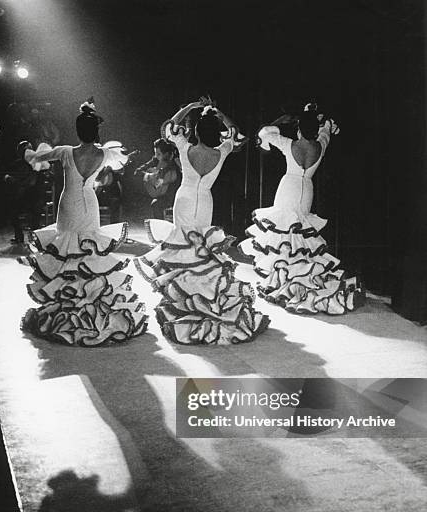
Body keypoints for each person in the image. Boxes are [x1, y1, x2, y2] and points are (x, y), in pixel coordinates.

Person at [135, 97, 269, 345]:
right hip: (205, 202)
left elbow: (168, 128)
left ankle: (183, 301)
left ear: (195, 130)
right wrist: (217, 112)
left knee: (183, 249)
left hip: (184, 199)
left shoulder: (185, 147)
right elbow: (236, 134)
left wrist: (192, 107)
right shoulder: (221, 152)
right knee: (202, 252)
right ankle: (204, 297)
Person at [19, 99, 148, 346]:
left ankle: (67, 304)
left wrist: (26, 149)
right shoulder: (104, 153)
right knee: (90, 250)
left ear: (78, 131)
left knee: (67, 250)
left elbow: (37, 157)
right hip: (91, 203)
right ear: (96, 132)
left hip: (69, 203)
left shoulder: (66, 151)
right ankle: (93, 303)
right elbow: (121, 160)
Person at [239, 106, 363, 315]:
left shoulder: (290, 144)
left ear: (299, 129)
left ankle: (283, 278)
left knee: (284, 235)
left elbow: (263, 133)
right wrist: (318, 119)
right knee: (299, 236)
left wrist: (282, 121)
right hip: (307, 188)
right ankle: (299, 274)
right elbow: (326, 130)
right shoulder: (320, 145)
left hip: (289, 186)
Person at [4, 140, 45, 244]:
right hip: (27, 196)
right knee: (13, 208)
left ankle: (35, 239)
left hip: (34, 197)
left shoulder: (36, 162)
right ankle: (20, 236)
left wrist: (13, 180)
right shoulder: (21, 164)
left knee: (29, 210)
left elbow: (30, 182)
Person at [135, 138, 180, 220]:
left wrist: (163, 175)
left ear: (166, 154)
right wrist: (149, 176)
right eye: (155, 153)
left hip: (176, 194)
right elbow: (137, 172)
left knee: (156, 204)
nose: (156, 156)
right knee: (155, 204)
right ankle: (160, 230)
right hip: (161, 194)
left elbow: (175, 177)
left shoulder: (176, 161)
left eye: (158, 154)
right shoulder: (155, 160)